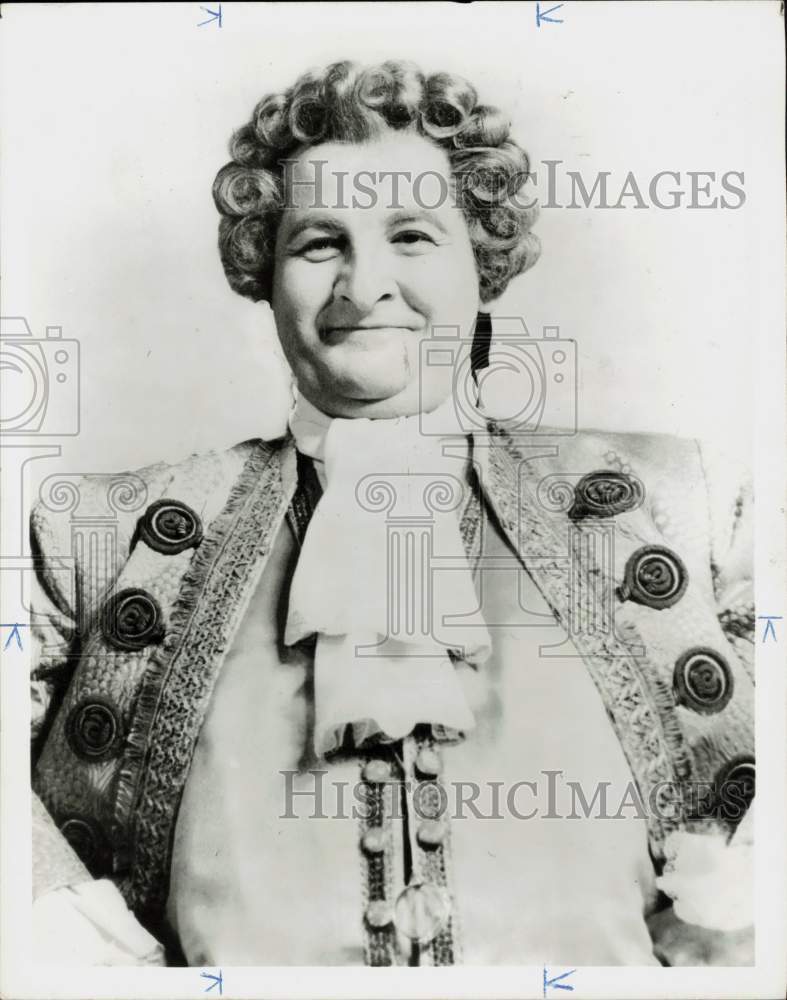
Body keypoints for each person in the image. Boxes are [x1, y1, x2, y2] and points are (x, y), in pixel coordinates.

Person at [29, 59, 754, 967]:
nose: (363, 284)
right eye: (319, 243)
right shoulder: (94, 537)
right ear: (264, 270)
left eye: (410, 236)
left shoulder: (686, 506)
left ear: (482, 265)